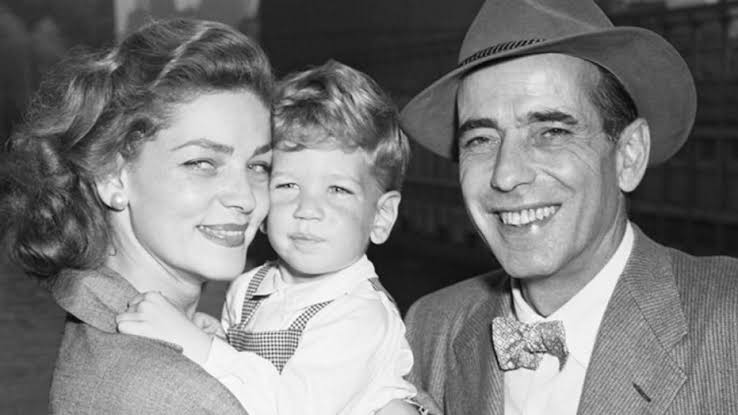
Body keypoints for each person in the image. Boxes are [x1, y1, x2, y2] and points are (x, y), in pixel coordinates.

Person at [399, 0, 738, 414]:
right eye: (480, 139)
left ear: (628, 155)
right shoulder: (430, 329)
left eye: (551, 132)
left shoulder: (728, 323)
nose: (506, 175)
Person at [116, 60, 427, 415]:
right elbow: (237, 388)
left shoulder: (361, 315)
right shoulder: (248, 288)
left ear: (381, 217)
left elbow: (290, 407)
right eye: (288, 185)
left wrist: (198, 346)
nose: (307, 209)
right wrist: (218, 340)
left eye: (338, 190)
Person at [0, 18, 274, 414]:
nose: (245, 197)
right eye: (202, 163)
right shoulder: (183, 396)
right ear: (112, 176)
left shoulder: (102, 324)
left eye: (259, 166)